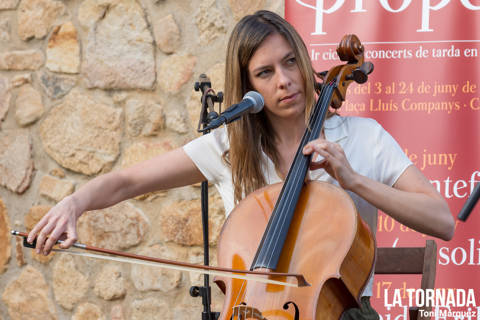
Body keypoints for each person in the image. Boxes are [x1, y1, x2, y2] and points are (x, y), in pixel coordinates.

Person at [28, 10, 454, 319]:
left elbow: (442, 221)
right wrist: (74, 204)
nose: (284, 80)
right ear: (247, 85)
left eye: (290, 62)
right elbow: (126, 181)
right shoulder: (230, 147)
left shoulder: (362, 139)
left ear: (305, 62)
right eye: (264, 73)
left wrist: (355, 181)